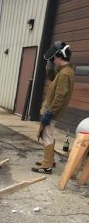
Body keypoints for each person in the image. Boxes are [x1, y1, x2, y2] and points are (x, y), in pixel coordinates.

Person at [32, 41, 74, 174]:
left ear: (60, 57)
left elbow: (60, 96)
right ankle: (49, 160)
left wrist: (50, 112)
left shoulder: (65, 73)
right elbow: (52, 77)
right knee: (48, 135)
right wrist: (49, 65)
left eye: (54, 58)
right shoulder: (64, 71)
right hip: (52, 109)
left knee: (47, 136)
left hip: (53, 110)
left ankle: (47, 165)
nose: (53, 60)